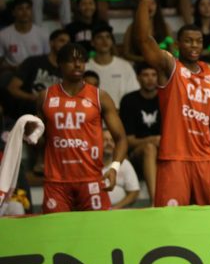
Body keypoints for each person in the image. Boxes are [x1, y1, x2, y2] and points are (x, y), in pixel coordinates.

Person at [135, 0, 210, 206]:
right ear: (178, 44)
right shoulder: (170, 66)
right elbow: (143, 40)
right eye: (188, 41)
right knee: (171, 222)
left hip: (205, 159)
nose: (194, 46)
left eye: (198, 41)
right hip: (175, 159)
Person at [36, 42, 127, 213]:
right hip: (56, 182)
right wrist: (29, 133)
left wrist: (114, 168)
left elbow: (121, 138)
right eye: (71, 60)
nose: (77, 64)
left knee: (97, 229)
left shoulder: (100, 96)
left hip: (91, 179)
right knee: (57, 229)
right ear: (59, 64)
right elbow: (37, 139)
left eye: (81, 60)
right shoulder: (45, 96)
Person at [119, 63, 161, 202]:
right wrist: (153, 140)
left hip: (164, 150)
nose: (150, 79)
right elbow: (128, 141)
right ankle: (155, 202)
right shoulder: (129, 101)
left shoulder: (165, 99)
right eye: (145, 75)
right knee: (149, 148)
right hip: (136, 154)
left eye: (154, 75)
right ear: (138, 78)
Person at [7, 29, 70, 119]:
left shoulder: (67, 70)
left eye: (68, 42)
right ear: (51, 43)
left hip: (54, 115)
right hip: (28, 111)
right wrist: (32, 97)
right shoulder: (33, 62)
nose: (65, 45)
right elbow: (12, 88)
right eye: (61, 41)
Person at [85, 25, 139, 107]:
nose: (104, 41)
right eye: (99, 37)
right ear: (92, 42)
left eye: (108, 37)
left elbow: (133, 94)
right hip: (92, 112)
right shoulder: (85, 67)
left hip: (121, 112)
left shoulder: (125, 66)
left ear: (112, 42)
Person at [0, 0, 49, 71]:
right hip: (13, 72)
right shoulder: (3, 35)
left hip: (37, 73)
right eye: (20, 9)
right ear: (13, 12)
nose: (25, 12)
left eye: (28, 8)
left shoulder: (43, 33)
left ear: (31, 11)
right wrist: (12, 68)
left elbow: (48, 59)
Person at [102, 130, 141, 209]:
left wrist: (114, 208)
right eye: (105, 140)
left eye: (112, 141)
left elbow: (134, 192)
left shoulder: (123, 163)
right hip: (93, 211)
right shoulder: (89, 164)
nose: (109, 143)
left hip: (119, 211)